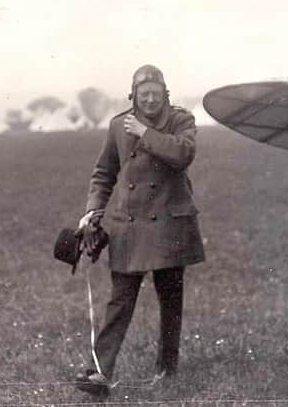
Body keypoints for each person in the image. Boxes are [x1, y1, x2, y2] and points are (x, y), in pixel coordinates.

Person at [75, 64, 205, 395]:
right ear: (133, 96)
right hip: (128, 228)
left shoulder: (181, 120)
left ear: (165, 94)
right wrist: (92, 210)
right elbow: (104, 172)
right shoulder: (119, 125)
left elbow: (183, 154)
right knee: (119, 301)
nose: (150, 100)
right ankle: (98, 373)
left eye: (156, 94)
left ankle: (167, 369)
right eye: (143, 94)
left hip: (169, 225)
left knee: (170, 300)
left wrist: (145, 134)